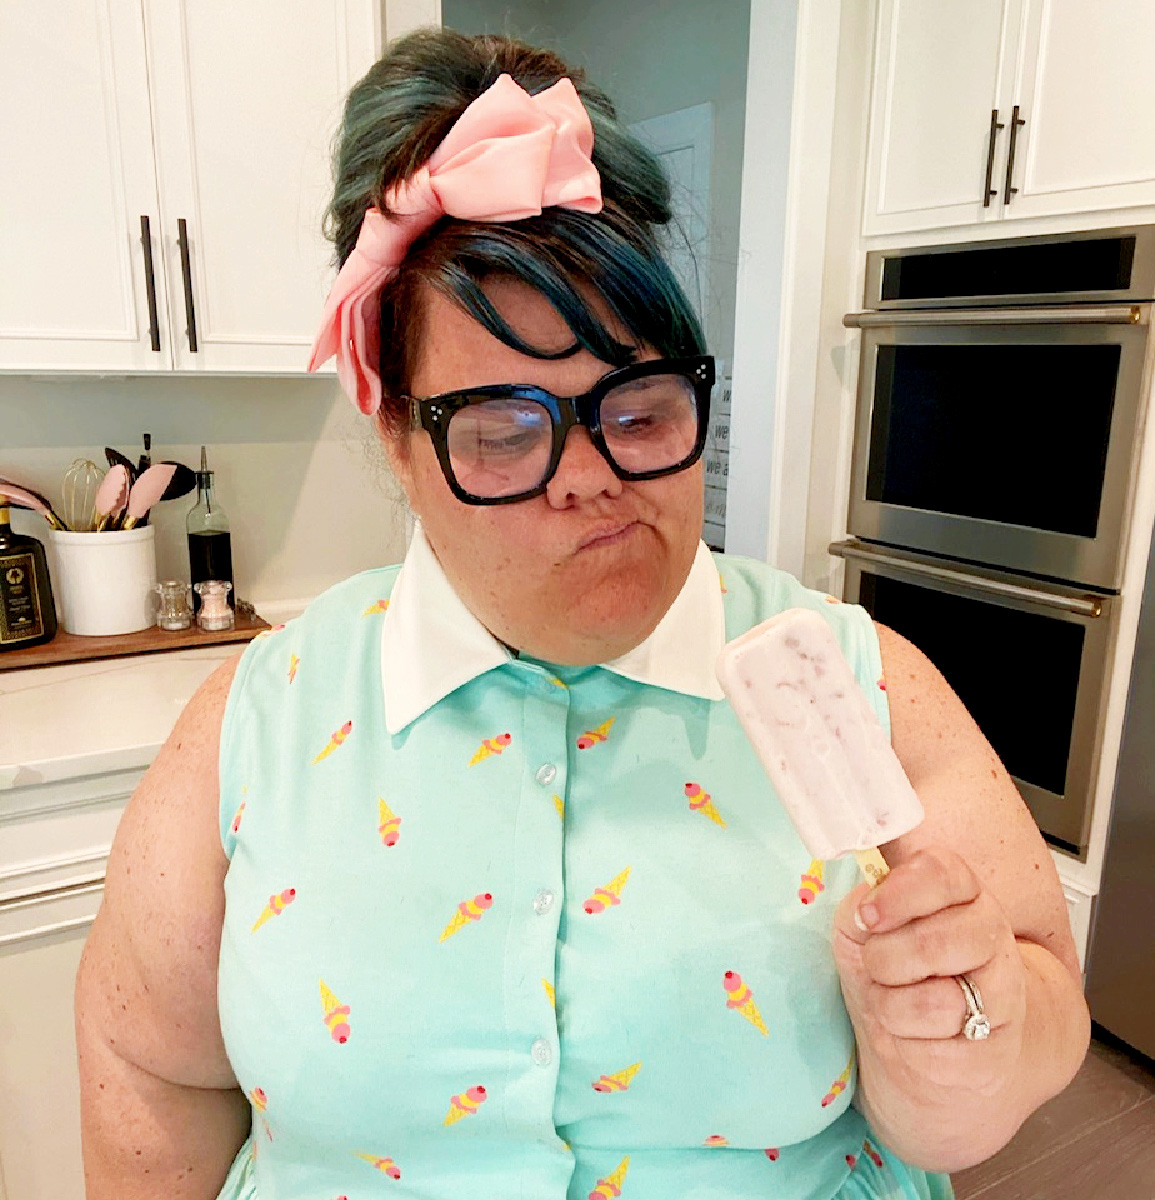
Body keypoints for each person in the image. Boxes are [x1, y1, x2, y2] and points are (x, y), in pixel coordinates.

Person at [75, 27, 1090, 1200]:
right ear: (398, 440)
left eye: (640, 406)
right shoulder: (257, 721)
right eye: (505, 431)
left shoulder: (863, 685)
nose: (590, 475)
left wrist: (974, 1034)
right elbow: (146, 1067)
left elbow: (1038, 1005)